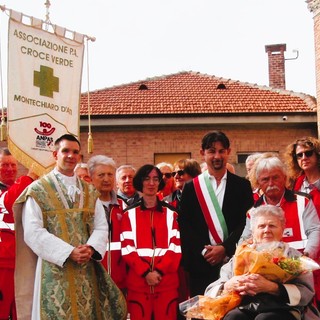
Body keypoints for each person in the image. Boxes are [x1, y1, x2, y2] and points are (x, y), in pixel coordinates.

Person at [14, 134, 127, 319]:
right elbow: (33, 231)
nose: (70, 156)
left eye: (75, 152)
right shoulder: (38, 190)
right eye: (65, 151)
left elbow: (100, 225)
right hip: (53, 268)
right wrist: (68, 252)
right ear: (55, 154)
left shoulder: (90, 191)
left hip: (85, 267)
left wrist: (90, 248)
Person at [205, 205, 319, 320]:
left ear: (282, 229)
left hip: (283, 308)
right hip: (245, 307)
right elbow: (210, 291)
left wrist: (272, 287)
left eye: (272, 226)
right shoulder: (240, 256)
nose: (266, 230)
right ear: (253, 232)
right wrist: (228, 285)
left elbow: (306, 292)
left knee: (266, 319)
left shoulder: (294, 258)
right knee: (233, 317)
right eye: (261, 226)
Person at [179, 131, 254, 297]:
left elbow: (246, 223)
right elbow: (185, 225)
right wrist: (205, 251)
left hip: (234, 261)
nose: (217, 156)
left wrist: (225, 248)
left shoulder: (242, 186)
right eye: (212, 151)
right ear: (202, 153)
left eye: (221, 151)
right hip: (201, 264)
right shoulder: (191, 187)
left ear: (228, 151)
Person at [121, 164, 181, 320]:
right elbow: (127, 249)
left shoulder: (172, 213)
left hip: (166, 284)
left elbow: (175, 248)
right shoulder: (128, 214)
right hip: (139, 285)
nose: (151, 183)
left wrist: (158, 272)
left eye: (155, 179)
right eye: (147, 179)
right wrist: (146, 273)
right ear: (140, 182)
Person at [241, 153, 320, 260]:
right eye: (265, 179)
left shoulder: (303, 201)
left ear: (284, 178)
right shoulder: (253, 212)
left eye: (275, 177)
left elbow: (315, 230)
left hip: (302, 268)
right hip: (266, 271)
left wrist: (307, 256)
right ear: (258, 182)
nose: (271, 183)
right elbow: (244, 242)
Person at [0, 148, 37, 320]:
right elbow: (10, 201)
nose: (9, 169)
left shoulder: (23, 189)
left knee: (22, 312)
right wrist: (30, 176)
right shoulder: (19, 188)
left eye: (13, 165)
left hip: (23, 261)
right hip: (2, 264)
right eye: (4, 165)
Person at [284, 137, 320, 308]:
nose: (304, 158)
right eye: (299, 155)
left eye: (308, 153)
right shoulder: (296, 184)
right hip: (309, 248)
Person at [87, 155, 127, 292]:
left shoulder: (124, 206)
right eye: (101, 175)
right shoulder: (84, 207)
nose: (106, 179)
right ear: (91, 178)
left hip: (121, 280)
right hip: (92, 278)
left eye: (110, 174)